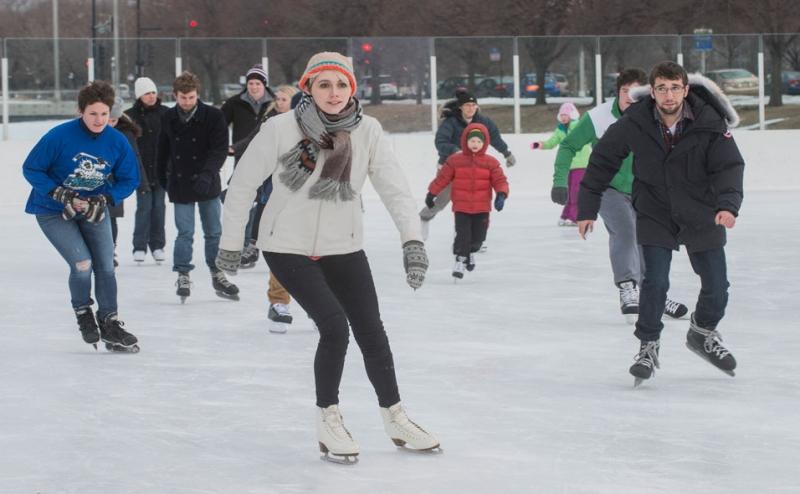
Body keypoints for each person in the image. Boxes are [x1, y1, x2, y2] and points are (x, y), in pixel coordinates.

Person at [215, 52, 440, 463]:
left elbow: (394, 189)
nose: (334, 94)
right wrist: (231, 244)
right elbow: (243, 185)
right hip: (286, 244)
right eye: (324, 85)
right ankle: (328, 419)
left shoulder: (367, 131)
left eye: (341, 85)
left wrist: (412, 241)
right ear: (309, 88)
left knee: (372, 331)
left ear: (351, 89)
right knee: (335, 327)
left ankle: (394, 416)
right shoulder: (280, 129)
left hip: (343, 244)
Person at [577, 61, 744, 385]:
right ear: (652, 92)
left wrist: (728, 205)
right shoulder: (634, 122)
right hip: (655, 210)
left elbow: (729, 166)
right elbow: (601, 162)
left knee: (717, 286)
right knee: (654, 282)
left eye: (675, 87)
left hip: (701, 210)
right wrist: (586, 208)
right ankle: (647, 346)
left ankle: (703, 332)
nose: (669, 95)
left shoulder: (710, 121)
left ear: (685, 88)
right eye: (662, 88)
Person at [552, 69, 688, 324]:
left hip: (644, 189)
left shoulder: (655, 115)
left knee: (651, 238)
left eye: (636, 93)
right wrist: (560, 182)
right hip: (607, 188)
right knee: (626, 230)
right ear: (618, 93)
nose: (630, 98)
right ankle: (628, 287)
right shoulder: (599, 117)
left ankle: (656, 294)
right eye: (625, 92)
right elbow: (568, 145)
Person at [22, 81, 140, 352]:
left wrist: (106, 198)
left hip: (91, 209)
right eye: (92, 114)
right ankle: (84, 313)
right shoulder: (59, 136)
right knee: (83, 264)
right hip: (53, 211)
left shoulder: (117, 141)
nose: (99, 120)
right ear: (81, 112)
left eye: (104, 114)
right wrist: (58, 193)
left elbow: (129, 178)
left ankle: (109, 322)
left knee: (106, 265)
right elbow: (32, 168)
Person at [157, 71, 239, 302]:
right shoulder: (169, 117)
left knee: (213, 231)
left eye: (191, 97)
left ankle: (217, 272)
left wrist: (207, 174)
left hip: (207, 182)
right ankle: (183, 273)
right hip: (180, 183)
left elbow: (219, 149)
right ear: (175, 96)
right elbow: (162, 151)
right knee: (185, 232)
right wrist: (163, 179)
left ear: (197, 95)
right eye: (182, 98)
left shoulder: (213, 116)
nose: (186, 102)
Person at [229, 84, 300, 333]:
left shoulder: (312, 127)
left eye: (285, 99)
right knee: (280, 251)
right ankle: (279, 302)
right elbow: (254, 152)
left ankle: (318, 305)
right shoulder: (270, 126)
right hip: (274, 197)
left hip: (307, 201)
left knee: (314, 254)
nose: (280, 102)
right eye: (278, 98)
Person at [419, 89, 515, 241]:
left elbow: (495, 138)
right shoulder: (450, 123)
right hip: (450, 168)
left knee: (477, 201)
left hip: (475, 168)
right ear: (460, 108)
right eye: (467, 105)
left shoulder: (484, 122)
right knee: (443, 201)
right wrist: (455, 151)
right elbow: (440, 142)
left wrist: (507, 153)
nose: (470, 108)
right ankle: (424, 218)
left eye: (473, 105)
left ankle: (474, 236)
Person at [426, 123, 509, 279]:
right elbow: (442, 178)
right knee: (462, 235)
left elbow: (500, 180)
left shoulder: (491, 162)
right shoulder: (455, 160)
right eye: (472, 141)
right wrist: (432, 193)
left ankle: (470, 252)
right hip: (461, 206)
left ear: (484, 143)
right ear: (465, 141)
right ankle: (460, 260)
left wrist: (501, 194)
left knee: (478, 239)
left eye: (478, 141)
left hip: (482, 207)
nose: (475, 144)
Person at [221, 63, 274, 269]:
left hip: (269, 159)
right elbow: (219, 124)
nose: (254, 87)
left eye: (257, 83)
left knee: (261, 201)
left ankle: (252, 245)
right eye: (251, 83)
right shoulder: (235, 103)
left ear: (264, 85)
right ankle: (246, 244)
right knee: (237, 198)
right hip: (243, 157)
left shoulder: (275, 104)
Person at [125, 76, 169, 264]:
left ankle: (158, 245)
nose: (151, 96)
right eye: (146, 94)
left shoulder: (166, 113)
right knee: (144, 208)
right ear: (139, 96)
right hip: (140, 170)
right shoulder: (130, 116)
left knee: (159, 208)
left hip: (161, 170)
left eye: (152, 92)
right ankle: (139, 246)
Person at [531, 101, 591, 226]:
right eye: (561, 115)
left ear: (572, 115)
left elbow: (589, 138)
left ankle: (575, 217)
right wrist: (540, 144)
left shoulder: (578, 126)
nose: (563, 117)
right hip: (568, 165)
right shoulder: (560, 130)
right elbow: (551, 142)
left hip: (581, 165)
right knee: (568, 191)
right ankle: (566, 215)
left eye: (566, 115)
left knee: (575, 192)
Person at [108, 97, 146, 267]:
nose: (109, 123)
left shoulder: (125, 133)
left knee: (110, 217)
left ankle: (109, 251)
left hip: (114, 183)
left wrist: (142, 182)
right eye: (107, 119)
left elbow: (134, 158)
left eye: (113, 120)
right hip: (90, 180)